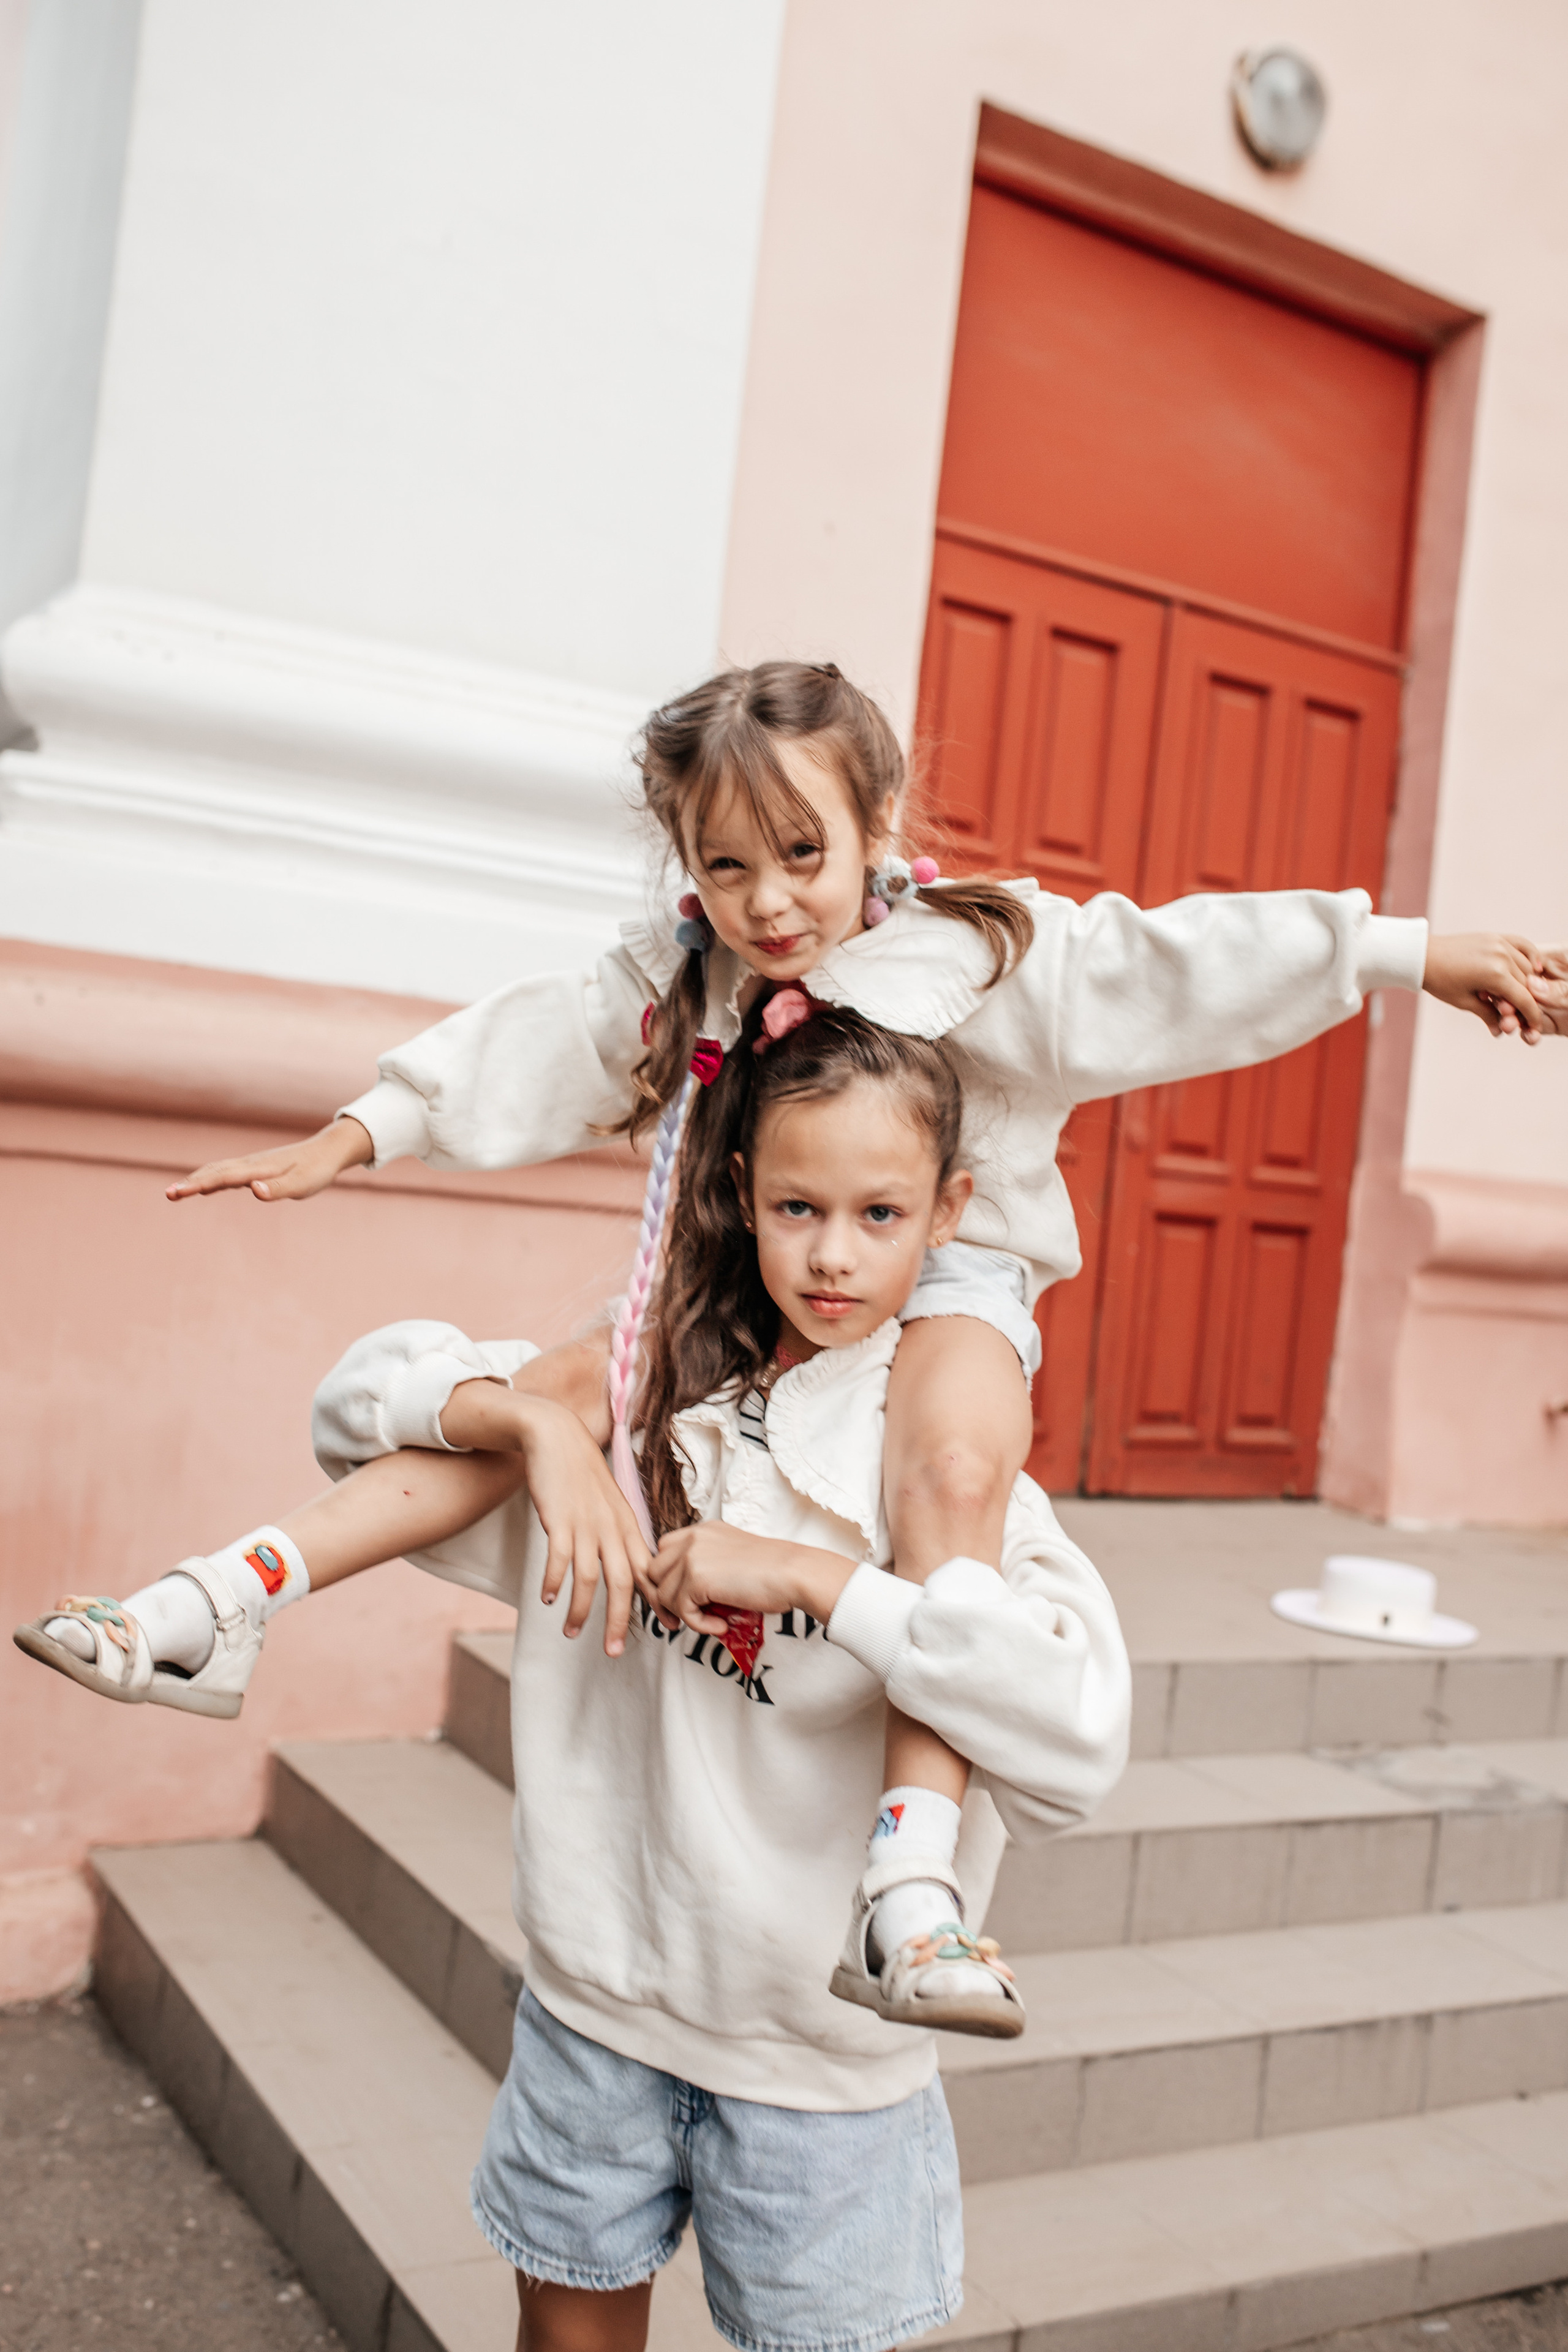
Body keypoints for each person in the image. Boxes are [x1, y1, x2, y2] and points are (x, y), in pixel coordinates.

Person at [17, 659, 1564, 2018]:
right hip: (744, 1276)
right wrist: (357, 1133)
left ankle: (909, 1888)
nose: (769, 903)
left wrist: (1402, 950)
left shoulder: (978, 952)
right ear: (685, 861)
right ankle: (225, 1602)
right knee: (529, 1398)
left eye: (805, 855)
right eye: (727, 864)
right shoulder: (688, 973)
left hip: (950, 1283)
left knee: (950, 1466)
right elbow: (540, 1038)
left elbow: (1163, 964)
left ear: (878, 821)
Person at [382, 1000, 1130, 2352]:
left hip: (821, 2075)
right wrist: (539, 1439)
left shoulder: (954, 1485)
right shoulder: (648, 1422)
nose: (832, 1256)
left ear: (950, 1212)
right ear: (738, 1195)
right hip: (595, 2012)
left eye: (878, 1215)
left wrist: (819, 1585)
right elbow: (355, 1416)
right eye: (796, 1208)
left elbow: (1077, 1747)